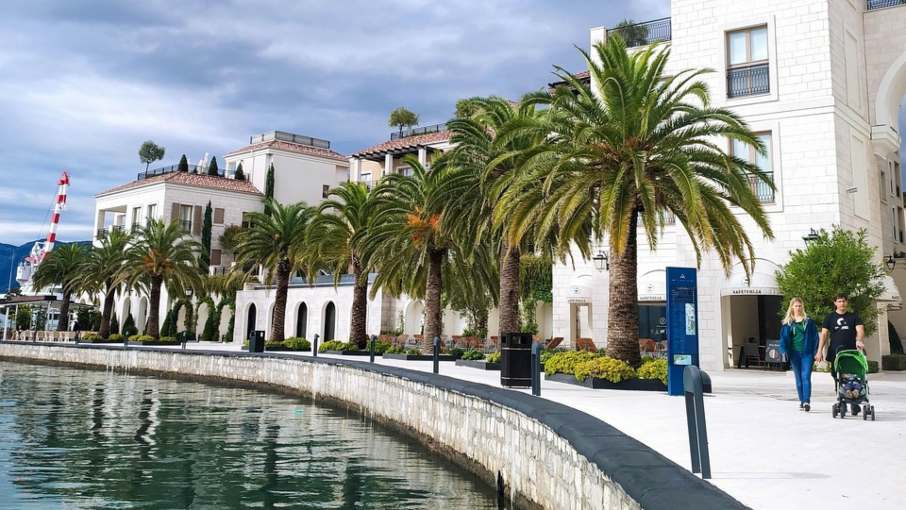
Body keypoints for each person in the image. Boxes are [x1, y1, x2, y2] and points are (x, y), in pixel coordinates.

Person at [817, 294, 865, 414]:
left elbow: (860, 330)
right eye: (839, 301)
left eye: (843, 301)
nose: (842, 303)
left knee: (854, 376)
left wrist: (859, 340)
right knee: (837, 378)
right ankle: (842, 400)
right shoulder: (829, 317)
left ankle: (855, 401)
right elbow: (824, 335)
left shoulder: (854, 316)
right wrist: (819, 352)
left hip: (852, 353)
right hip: (835, 353)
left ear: (846, 302)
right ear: (835, 303)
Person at [779, 298, 819, 411]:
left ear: (803, 307)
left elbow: (815, 337)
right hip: (794, 353)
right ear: (792, 307)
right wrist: (783, 351)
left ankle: (806, 401)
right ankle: (802, 401)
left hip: (807, 353)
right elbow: (783, 339)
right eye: (796, 306)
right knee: (798, 379)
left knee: (806, 377)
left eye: (800, 306)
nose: (798, 308)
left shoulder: (808, 322)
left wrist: (816, 352)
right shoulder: (787, 323)